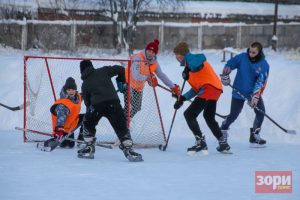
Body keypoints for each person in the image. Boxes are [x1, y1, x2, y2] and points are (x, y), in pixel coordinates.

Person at [78, 60, 143, 162]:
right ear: (92, 66)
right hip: (113, 103)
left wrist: (89, 115)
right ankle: (128, 148)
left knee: (87, 123)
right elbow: (121, 69)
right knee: (121, 126)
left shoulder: (85, 84)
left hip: (97, 106)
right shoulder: (103, 70)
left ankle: (89, 147)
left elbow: (87, 104)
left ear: (81, 71)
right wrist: (120, 81)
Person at [173, 42, 231, 154]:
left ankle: (200, 141)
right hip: (214, 90)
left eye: (177, 55)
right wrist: (183, 98)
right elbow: (196, 89)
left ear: (181, 55)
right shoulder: (189, 69)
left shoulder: (193, 59)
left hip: (209, 89)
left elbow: (199, 60)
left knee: (189, 114)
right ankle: (223, 142)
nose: (176, 58)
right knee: (209, 117)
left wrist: (188, 67)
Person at [220, 42, 269, 147]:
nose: (250, 53)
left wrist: (255, 96)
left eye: (253, 52)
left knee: (261, 112)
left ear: (259, 52)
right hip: (238, 91)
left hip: (252, 93)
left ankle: (254, 135)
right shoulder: (242, 57)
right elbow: (230, 64)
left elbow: (261, 82)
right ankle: (223, 130)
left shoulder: (264, 65)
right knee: (234, 114)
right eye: (250, 51)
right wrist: (225, 75)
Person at [117, 39, 180, 120]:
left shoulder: (154, 62)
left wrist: (172, 86)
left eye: (153, 52)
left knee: (136, 108)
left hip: (138, 87)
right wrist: (148, 77)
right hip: (127, 83)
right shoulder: (138, 57)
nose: (150, 53)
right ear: (146, 50)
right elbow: (135, 75)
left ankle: (122, 120)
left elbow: (161, 75)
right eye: (149, 51)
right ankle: (124, 124)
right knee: (128, 108)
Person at [43, 77, 83, 149]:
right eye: (69, 90)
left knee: (88, 117)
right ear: (65, 90)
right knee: (67, 145)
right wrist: (59, 132)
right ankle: (53, 141)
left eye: (73, 89)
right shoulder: (63, 104)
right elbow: (61, 118)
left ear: (75, 90)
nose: (71, 92)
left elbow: (85, 94)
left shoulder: (77, 97)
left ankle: (82, 139)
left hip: (71, 125)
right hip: (62, 129)